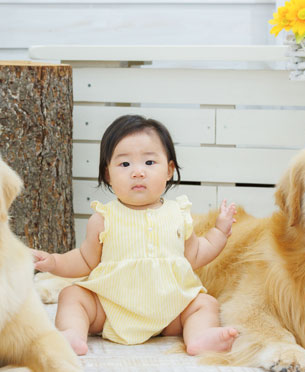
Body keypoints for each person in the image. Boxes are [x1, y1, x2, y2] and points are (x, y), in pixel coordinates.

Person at [32, 114, 238, 356]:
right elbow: (85, 260)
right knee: (72, 295)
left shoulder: (178, 213)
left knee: (205, 304)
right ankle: (72, 335)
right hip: (111, 308)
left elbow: (196, 253)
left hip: (170, 310)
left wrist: (220, 231)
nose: (138, 172)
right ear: (108, 174)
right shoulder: (103, 218)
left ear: (169, 170)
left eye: (149, 163)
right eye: (125, 164)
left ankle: (200, 336)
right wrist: (54, 262)